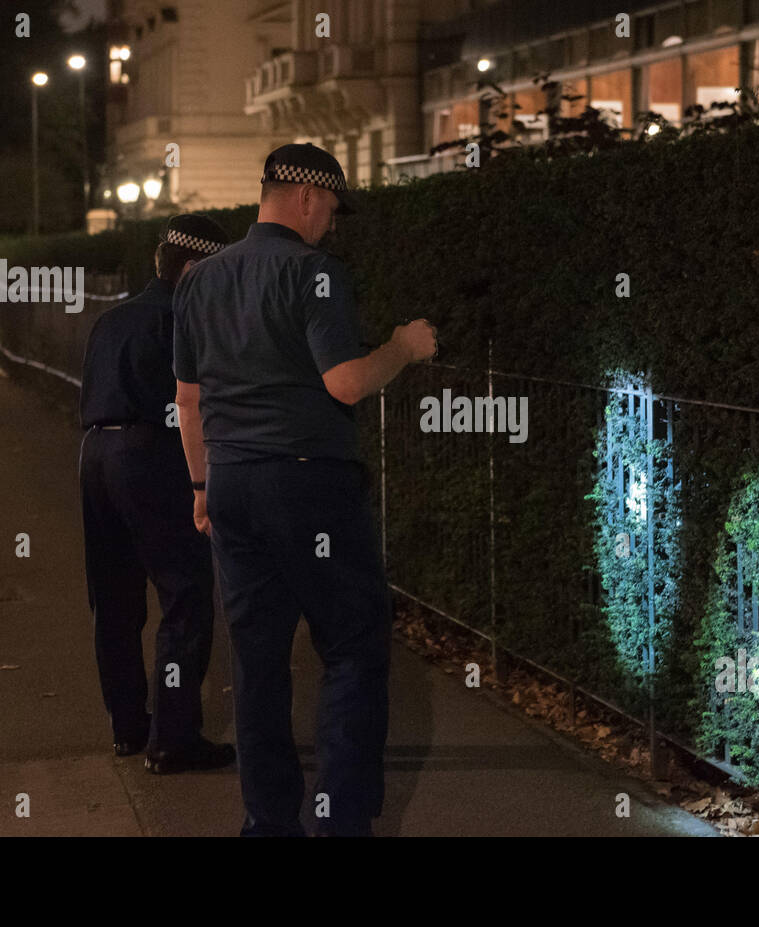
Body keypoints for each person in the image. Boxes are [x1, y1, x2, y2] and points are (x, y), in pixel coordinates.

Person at [173, 143, 438, 836]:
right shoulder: (314, 273)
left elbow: (188, 401)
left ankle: (268, 822)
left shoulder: (200, 280)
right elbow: (346, 381)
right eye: (330, 211)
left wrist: (202, 484)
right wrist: (405, 346)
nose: (331, 225)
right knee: (352, 645)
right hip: (308, 483)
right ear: (307, 198)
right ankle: (341, 821)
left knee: (257, 661)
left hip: (231, 481)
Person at [78, 214, 237, 775]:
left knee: (114, 599)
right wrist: (203, 482)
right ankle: (173, 738)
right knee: (185, 593)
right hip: (151, 455)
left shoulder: (112, 317)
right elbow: (195, 405)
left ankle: (128, 728)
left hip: (95, 452)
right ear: (193, 268)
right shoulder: (184, 319)